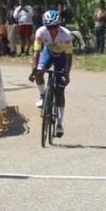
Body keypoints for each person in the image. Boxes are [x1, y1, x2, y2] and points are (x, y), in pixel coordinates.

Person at [31, 9, 74, 138]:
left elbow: (69, 57)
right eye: (49, 27)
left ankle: (60, 124)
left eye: (54, 26)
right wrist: (35, 70)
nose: (51, 29)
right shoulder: (40, 32)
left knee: (60, 92)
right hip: (48, 54)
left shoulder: (66, 35)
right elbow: (36, 53)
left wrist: (66, 74)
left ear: (58, 25)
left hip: (62, 57)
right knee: (38, 72)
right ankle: (43, 95)